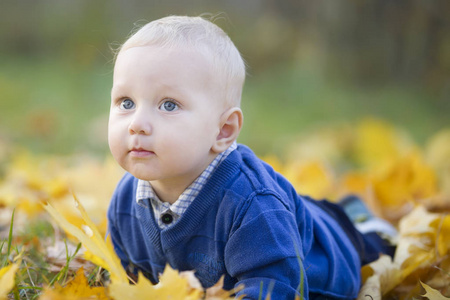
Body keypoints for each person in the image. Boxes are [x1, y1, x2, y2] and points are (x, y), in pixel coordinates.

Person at [107, 15, 395, 299]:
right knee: (302, 211)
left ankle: (365, 226)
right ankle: (342, 210)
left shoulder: (253, 206)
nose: (137, 123)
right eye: (126, 102)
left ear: (223, 130)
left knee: (368, 243)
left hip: (332, 254)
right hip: (286, 217)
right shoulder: (125, 200)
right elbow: (128, 279)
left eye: (168, 105)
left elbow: (277, 289)